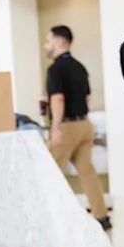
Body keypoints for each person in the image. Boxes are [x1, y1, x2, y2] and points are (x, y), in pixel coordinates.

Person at [43, 25, 110, 230]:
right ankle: (102, 216)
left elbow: (58, 99)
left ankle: (48, 219)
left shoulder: (55, 69)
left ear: (60, 42)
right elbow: (86, 97)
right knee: (87, 172)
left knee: (48, 172)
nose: (45, 45)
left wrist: (55, 128)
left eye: (48, 40)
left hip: (67, 127)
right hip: (84, 124)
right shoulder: (80, 67)